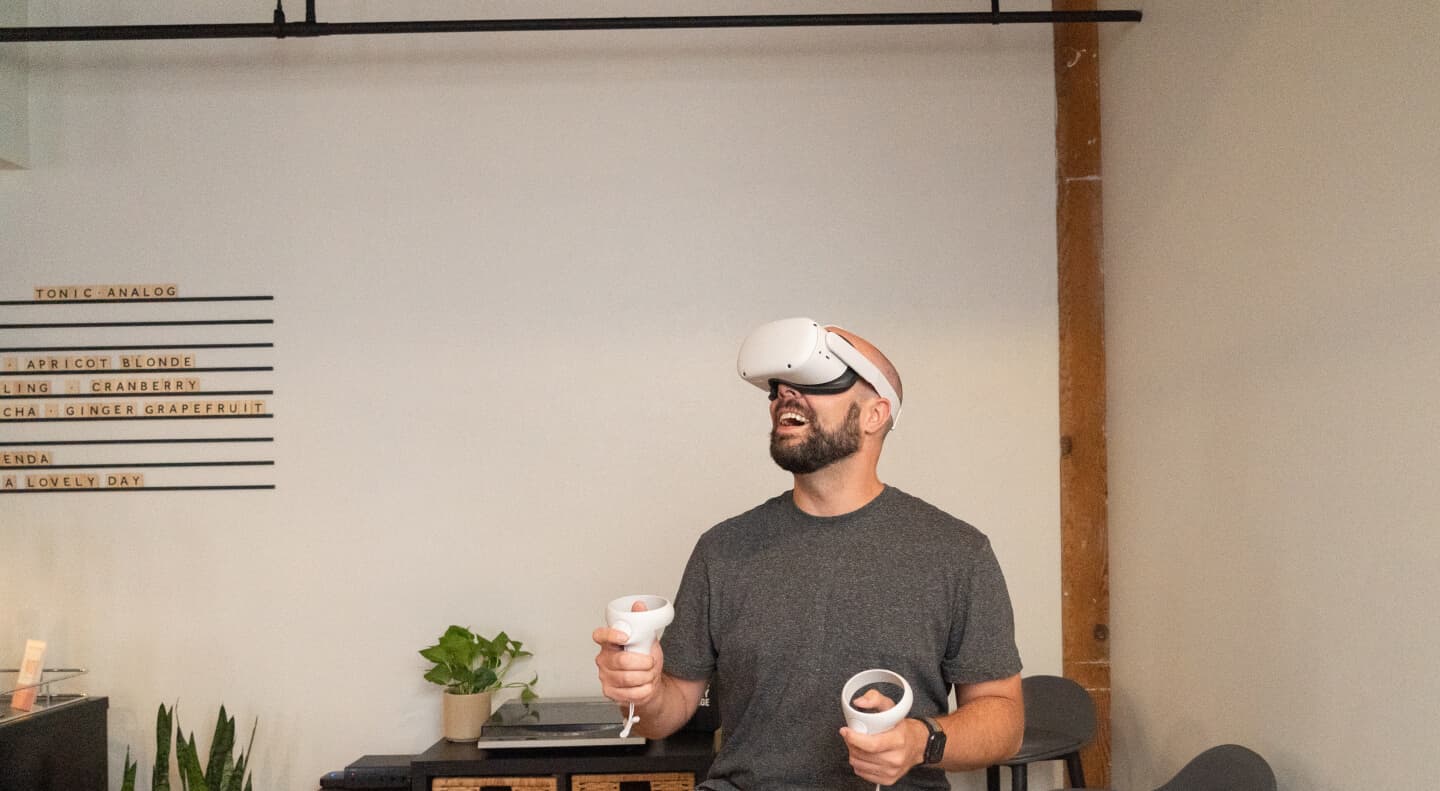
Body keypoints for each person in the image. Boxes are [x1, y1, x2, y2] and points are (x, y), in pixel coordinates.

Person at [593, 319, 1024, 790]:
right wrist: (642, 689)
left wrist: (921, 740)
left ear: (875, 414)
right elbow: (666, 712)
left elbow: (1004, 720)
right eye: (777, 389)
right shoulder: (723, 549)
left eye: (814, 382)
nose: (784, 396)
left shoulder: (956, 553)